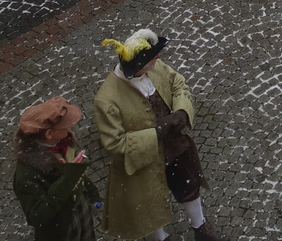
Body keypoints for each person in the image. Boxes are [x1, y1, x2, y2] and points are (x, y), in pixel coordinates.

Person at [94, 29, 229, 241]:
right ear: (138, 65)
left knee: (189, 184)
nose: (158, 58)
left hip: (175, 146)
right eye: (152, 57)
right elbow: (115, 144)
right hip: (143, 161)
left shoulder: (155, 69)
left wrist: (181, 112)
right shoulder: (106, 100)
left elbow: (177, 84)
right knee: (149, 204)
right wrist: (156, 133)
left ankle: (200, 227)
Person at [13, 96, 100, 241]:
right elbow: (37, 215)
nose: (70, 128)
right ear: (49, 134)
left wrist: (92, 195)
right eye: (65, 126)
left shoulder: (61, 144)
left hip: (81, 216)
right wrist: (68, 177)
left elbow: (78, 178)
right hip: (63, 230)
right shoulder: (25, 174)